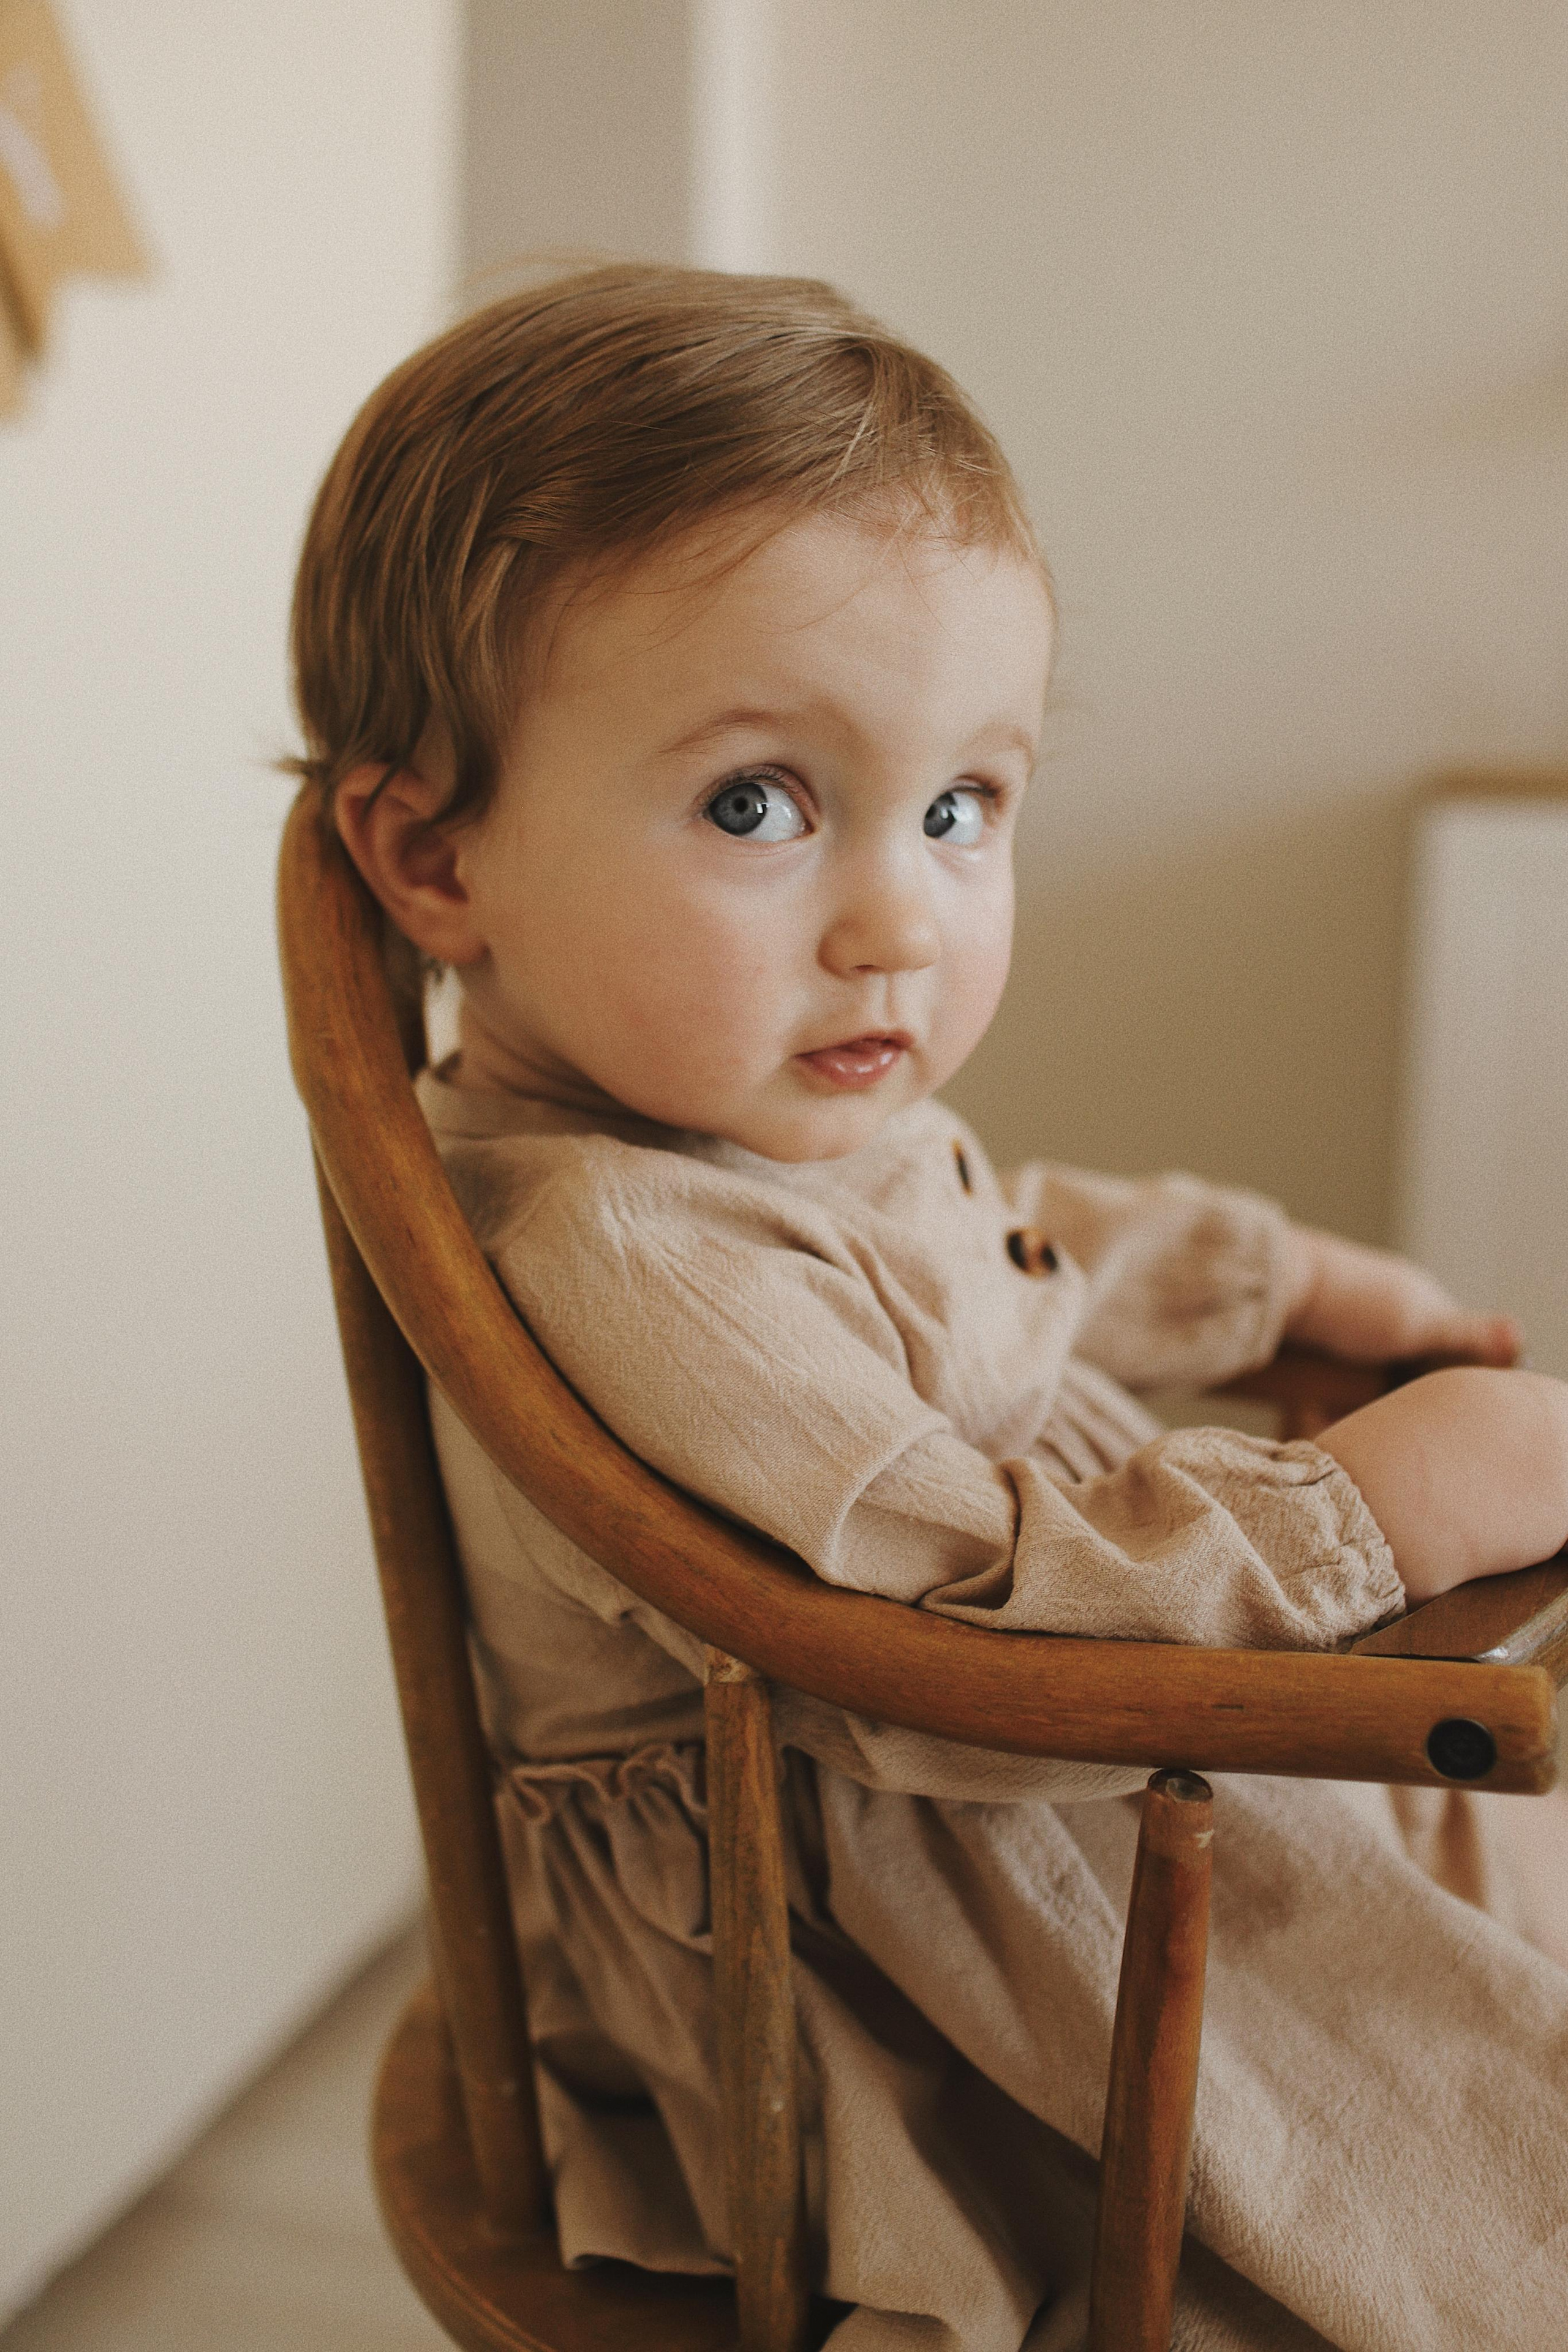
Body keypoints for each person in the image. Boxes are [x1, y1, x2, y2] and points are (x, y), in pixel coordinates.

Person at [292, 265, 1568, 2350]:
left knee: (1448, 1895)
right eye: (755, 805)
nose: (901, 917)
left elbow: (993, 1243)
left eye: (965, 805)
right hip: (895, 1952)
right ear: (436, 863)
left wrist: (1291, 1282)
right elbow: (941, 1645)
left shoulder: (729, 1132)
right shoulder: (624, 1255)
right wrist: (1368, 1516)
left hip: (1007, 1805)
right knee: (1433, 2146)